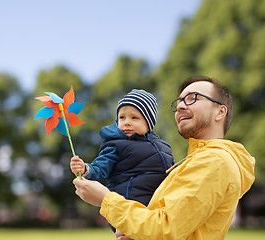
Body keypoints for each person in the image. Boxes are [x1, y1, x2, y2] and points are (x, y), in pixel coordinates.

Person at [72, 76, 255, 240]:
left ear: (220, 112)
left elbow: (166, 229)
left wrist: (105, 199)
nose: (181, 106)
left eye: (193, 98)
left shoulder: (213, 161)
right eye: (179, 102)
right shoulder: (195, 161)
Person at [70, 89, 175, 232]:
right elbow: (100, 167)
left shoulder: (164, 146)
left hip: (158, 209)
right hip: (127, 207)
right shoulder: (116, 145)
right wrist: (86, 169)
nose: (126, 123)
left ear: (149, 122)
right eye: (122, 117)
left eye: (134, 118)